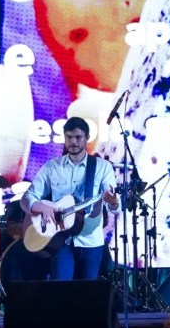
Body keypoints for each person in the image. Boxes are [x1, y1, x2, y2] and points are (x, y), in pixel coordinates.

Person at [21, 117, 120, 281]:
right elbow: (26, 198)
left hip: (91, 241)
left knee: (88, 292)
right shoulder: (52, 166)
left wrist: (113, 202)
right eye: (69, 137)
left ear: (87, 138)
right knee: (61, 291)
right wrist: (43, 207)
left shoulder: (102, 167)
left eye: (78, 137)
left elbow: (114, 206)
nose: (73, 142)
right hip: (61, 241)